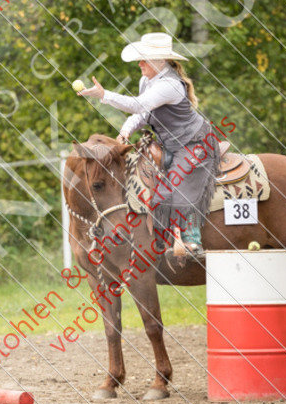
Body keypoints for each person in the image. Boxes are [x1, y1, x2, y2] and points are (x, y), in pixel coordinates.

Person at [76, 32, 219, 257]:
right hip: (168, 143)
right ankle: (154, 238)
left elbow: (138, 105)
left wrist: (104, 95)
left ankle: (192, 240)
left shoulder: (170, 85)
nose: (140, 64)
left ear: (160, 61)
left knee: (177, 183)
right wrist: (125, 130)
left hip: (193, 143)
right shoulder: (148, 80)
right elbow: (143, 113)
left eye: (144, 59)